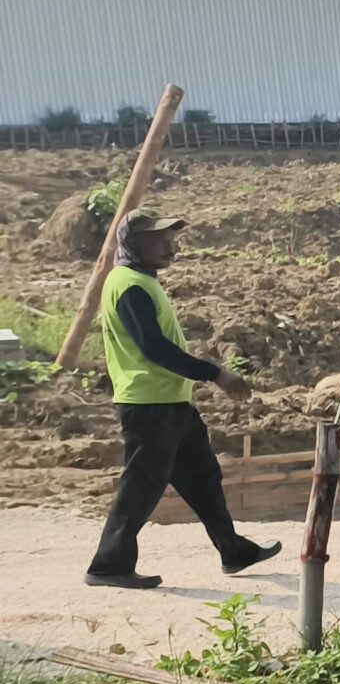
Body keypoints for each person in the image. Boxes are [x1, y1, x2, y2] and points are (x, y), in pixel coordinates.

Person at [85, 213, 280, 589]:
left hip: (170, 402)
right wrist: (215, 373)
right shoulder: (128, 285)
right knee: (141, 487)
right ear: (133, 243)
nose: (171, 245)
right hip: (148, 404)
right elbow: (154, 348)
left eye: (172, 238)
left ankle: (232, 550)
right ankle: (109, 565)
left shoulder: (141, 281)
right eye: (159, 238)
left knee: (203, 479)